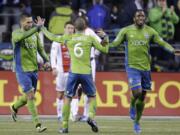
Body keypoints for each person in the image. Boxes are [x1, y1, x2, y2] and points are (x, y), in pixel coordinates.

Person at [106, 9, 175, 134]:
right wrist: (104, 44)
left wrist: (172, 50)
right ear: (134, 18)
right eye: (138, 15)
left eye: (143, 16)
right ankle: (132, 104)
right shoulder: (126, 30)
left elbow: (162, 42)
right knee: (137, 92)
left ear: (145, 18)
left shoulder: (150, 31)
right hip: (132, 66)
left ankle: (137, 122)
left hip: (146, 68)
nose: (141, 17)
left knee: (142, 97)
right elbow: (115, 43)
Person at [37, 16, 109, 133]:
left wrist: (42, 28)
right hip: (86, 72)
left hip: (73, 72)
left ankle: (65, 126)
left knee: (68, 98)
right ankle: (90, 116)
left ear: (75, 28)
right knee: (92, 97)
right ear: (85, 27)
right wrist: (106, 37)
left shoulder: (68, 38)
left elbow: (52, 37)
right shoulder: (89, 38)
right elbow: (105, 49)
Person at [10, 13, 49, 133]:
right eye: (28, 22)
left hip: (34, 69)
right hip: (21, 70)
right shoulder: (16, 33)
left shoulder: (35, 34)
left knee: (28, 97)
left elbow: (40, 49)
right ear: (22, 23)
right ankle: (37, 124)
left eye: (31, 22)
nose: (30, 24)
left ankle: (14, 107)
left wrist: (47, 60)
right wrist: (37, 28)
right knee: (31, 95)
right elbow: (20, 38)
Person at [50, 21, 75, 121]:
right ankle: (59, 114)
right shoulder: (57, 40)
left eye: (72, 28)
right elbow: (53, 55)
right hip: (61, 71)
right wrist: (54, 67)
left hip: (73, 71)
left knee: (73, 93)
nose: (70, 30)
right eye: (68, 28)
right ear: (64, 29)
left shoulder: (75, 40)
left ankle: (72, 114)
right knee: (60, 94)